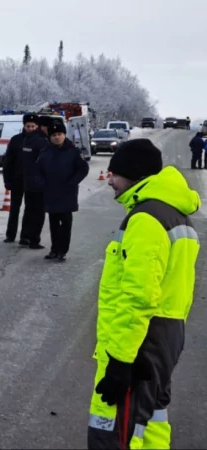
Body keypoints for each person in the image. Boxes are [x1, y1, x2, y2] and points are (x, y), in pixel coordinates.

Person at [87, 139, 200, 449]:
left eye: (115, 173)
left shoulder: (146, 220)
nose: (109, 179)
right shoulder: (173, 215)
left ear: (133, 174)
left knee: (117, 428)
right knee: (150, 421)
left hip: (140, 340)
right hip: (165, 335)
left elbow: (138, 296)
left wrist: (121, 360)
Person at [35, 122, 89, 261]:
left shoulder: (73, 151)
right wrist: (42, 184)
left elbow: (83, 168)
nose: (57, 137)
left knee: (65, 223)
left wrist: (73, 182)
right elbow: (37, 171)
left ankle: (62, 251)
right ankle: (54, 249)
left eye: (59, 134)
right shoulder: (45, 152)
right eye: (54, 135)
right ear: (50, 137)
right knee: (53, 223)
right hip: (51, 192)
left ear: (64, 135)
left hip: (67, 193)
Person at [2, 114, 39, 243]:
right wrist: (7, 180)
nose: (30, 128)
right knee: (14, 209)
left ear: (37, 126)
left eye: (33, 126)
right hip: (16, 180)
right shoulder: (16, 140)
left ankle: (25, 236)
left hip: (31, 182)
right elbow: (8, 162)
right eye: (28, 126)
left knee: (29, 209)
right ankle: (10, 234)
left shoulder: (40, 141)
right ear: (24, 126)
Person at [19, 115, 52, 249]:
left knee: (29, 210)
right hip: (39, 183)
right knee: (39, 212)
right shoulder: (43, 141)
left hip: (28, 181)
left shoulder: (28, 139)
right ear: (43, 126)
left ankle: (25, 236)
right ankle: (34, 239)